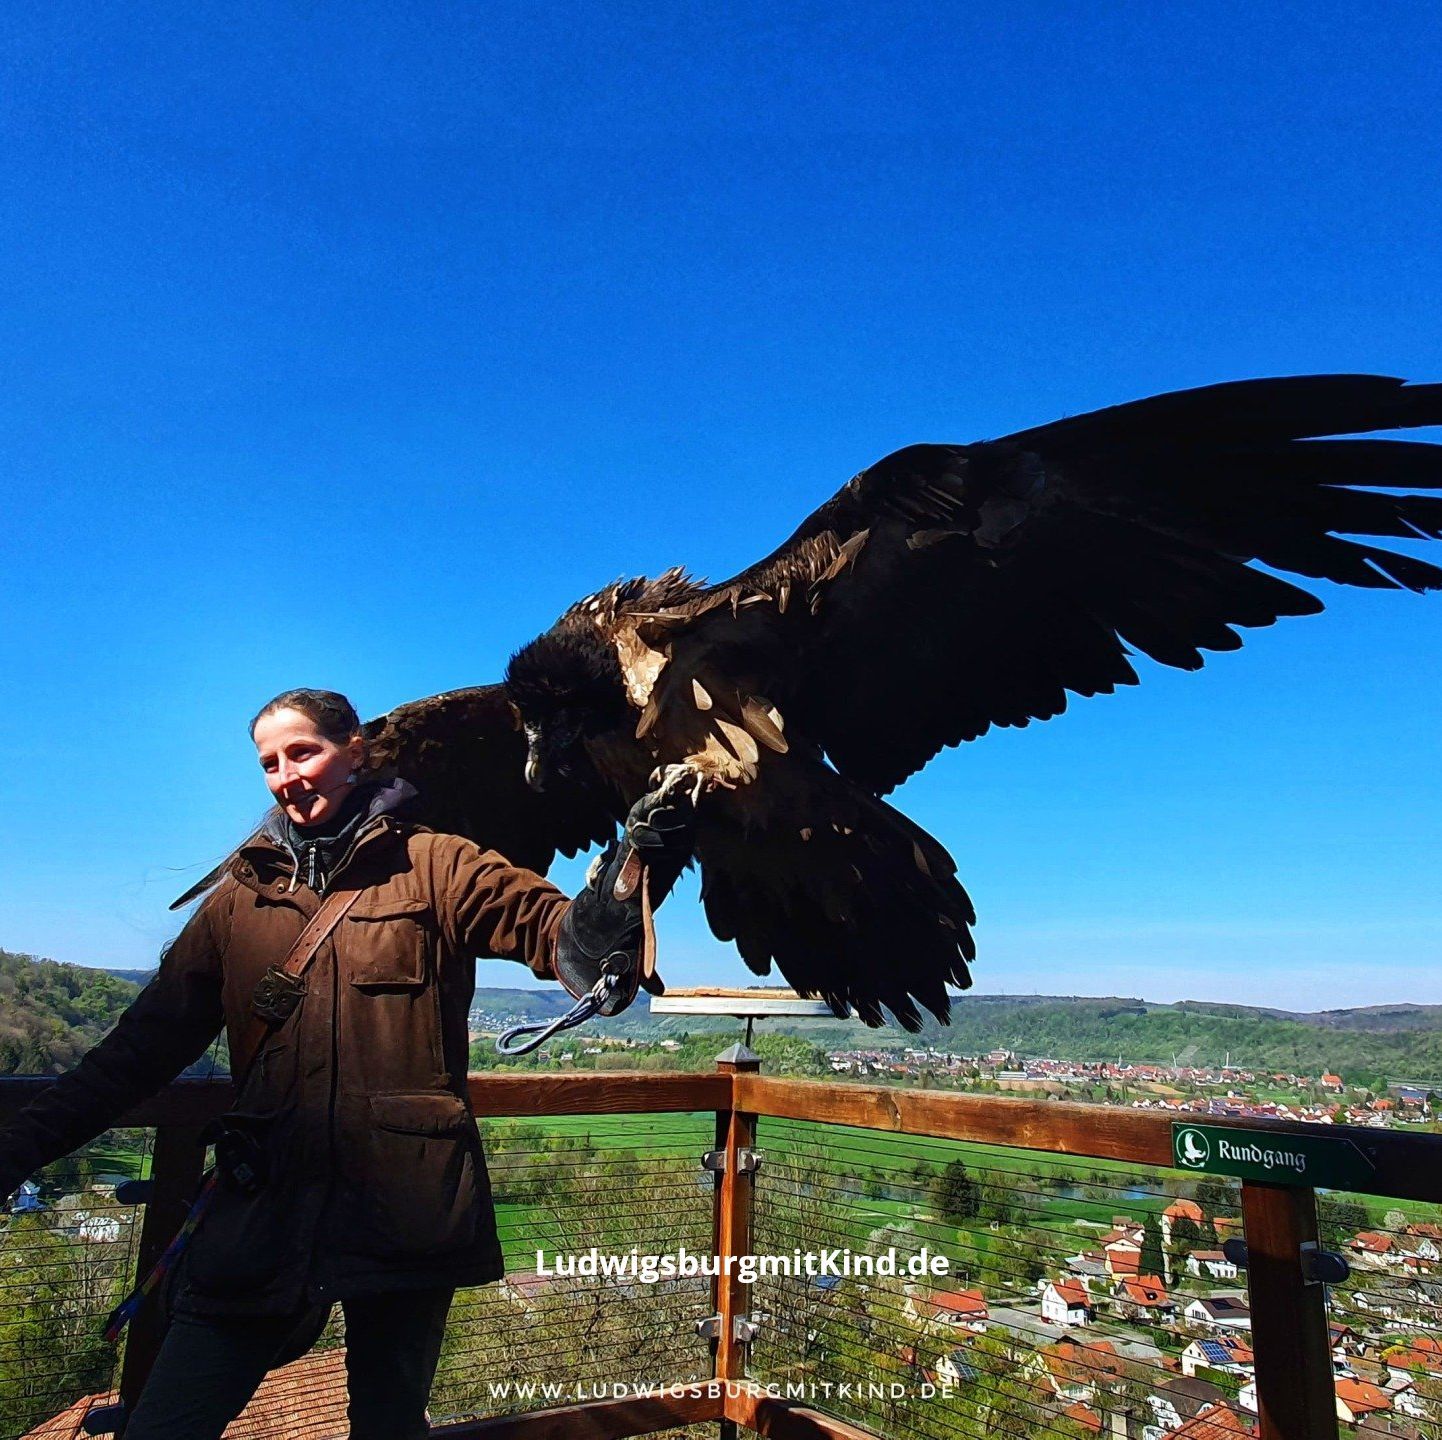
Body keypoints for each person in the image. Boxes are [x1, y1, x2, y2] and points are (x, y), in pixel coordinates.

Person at [0, 688, 693, 1439]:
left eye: (304, 752)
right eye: (269, 762)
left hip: (403, 1219)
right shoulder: (240, 900)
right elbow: (133, 1056)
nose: (286, 776)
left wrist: (628, 874)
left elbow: (562, 941)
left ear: (355, 751)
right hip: (262, 1210)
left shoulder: (436, 866)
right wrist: (18, 1148)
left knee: (389, 1428)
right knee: (167, 1423)